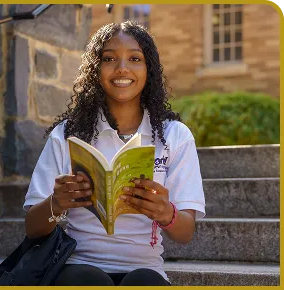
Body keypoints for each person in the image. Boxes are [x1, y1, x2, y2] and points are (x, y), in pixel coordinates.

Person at [24, 21, 205, 286]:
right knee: (87, 280)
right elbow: (32, 227)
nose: (122, 67)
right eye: (109, 58)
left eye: (135, 58)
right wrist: (57, 202)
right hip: (79, 265)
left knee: (144, 282)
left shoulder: (175, 136)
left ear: (149, 69)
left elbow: (186, 232)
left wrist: (166, 212)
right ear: (95, 70)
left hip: (146, 268)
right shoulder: (67, 135)